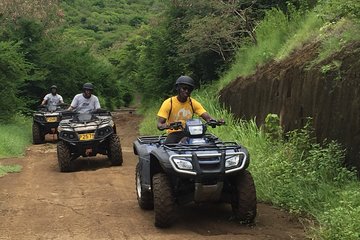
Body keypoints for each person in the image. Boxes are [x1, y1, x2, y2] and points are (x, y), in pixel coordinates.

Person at [157, 75, 219, 144]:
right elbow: (160, 125)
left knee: (210, 143)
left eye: (189, 89)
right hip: (174, 133)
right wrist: (170, 125)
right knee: (168, 146)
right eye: (184, 88)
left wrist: (214, 121)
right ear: (178, 88)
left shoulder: (193, 103)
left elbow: (207, 117)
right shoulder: (168, 103)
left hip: (191, 133)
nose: (187, 91)